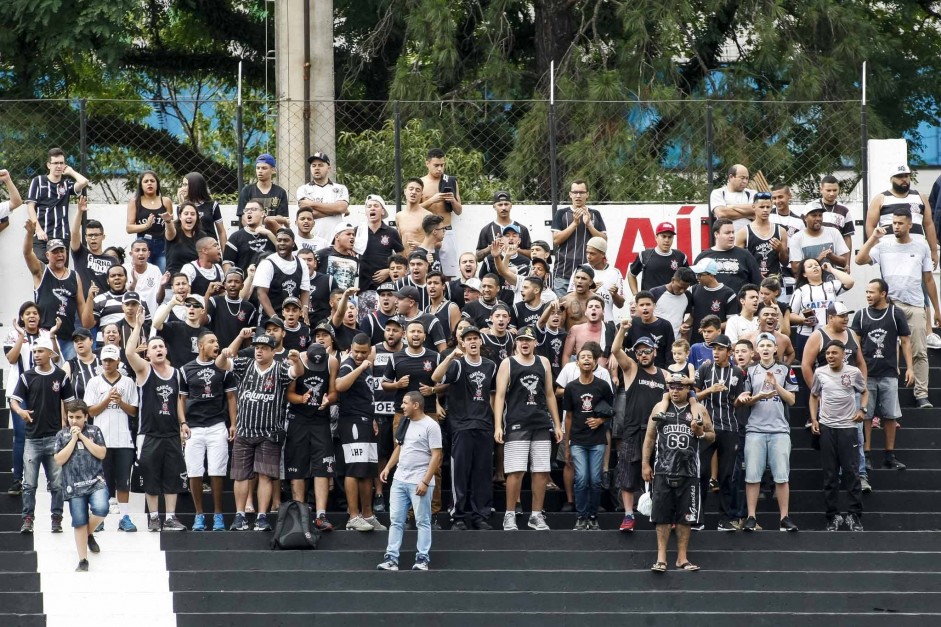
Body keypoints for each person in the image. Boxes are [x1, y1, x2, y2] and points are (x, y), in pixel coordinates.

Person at [857, 207, 941, 408]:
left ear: (910, 224)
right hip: (890, 306)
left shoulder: (920, 248)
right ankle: (887, 396)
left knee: (920, 351)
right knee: (886, 350)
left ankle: (921, 394)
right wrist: (873, 239)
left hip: (915, 305)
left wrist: (937, 309)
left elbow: (928, 279)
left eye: (900, 223)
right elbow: (859, 259)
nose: (896, 226)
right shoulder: (884, 245)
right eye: (894, 222)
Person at [218, 332, 302, 531]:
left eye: (264, 348)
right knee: (240, 476)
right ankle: (240, 515)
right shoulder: (245, 365)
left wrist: (297, 360)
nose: (259, 351)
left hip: (269, 432)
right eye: (257, 347)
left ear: (273, 351)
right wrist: (231, 346)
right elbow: (221, 364)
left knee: (265, 476)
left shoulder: (280, 368)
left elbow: (296, 372)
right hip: (245, 430)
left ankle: (262, 516)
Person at [124, 309, 188, 532]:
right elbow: (129, 352)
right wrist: (138, 326)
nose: (159, 349)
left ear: (166, 350)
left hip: (171, 432)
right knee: (150, 476)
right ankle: (153, 517)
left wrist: (183, 423)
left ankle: (170, 518)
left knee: (172, 475)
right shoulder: (144, 370)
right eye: (154, 347)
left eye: (161, 346)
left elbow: (178, 401)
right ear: (148, 354)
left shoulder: (177, 373)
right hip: (149, 433)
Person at [494, 326, 563, 531]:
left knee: (541, 471)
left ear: (535, 343)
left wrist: (557, 424)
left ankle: (535, 515)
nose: (525, 343)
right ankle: (509, 514)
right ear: (516, 342)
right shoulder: (508, 363)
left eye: (529, 340)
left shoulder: (543, 362)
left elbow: (550, 394)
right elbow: (499, 395)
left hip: (541, 422)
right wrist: (498, 425)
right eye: (521, 340)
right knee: (515, 471)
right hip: (517, 421)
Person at [642, 377, 715, 572]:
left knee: (686, 517)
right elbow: (649, 436)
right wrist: (645, 464)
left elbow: (711, 435)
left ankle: (682, 558)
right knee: (662, 516)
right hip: (663, 469)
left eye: (679, 388)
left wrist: (699, 432)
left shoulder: (698, 409)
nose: (675, 391)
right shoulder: (660, 407)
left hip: (689, 470)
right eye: (671, 387)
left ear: (688, 389)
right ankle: (661, 558)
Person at [432, 325, 497, 530]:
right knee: (459, 472)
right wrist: (451, 356)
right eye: (468, 338)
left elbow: (494, 395)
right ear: (462, 342)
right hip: (461, 425)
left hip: (484, 424)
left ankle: (480, 515)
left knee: (483, 472)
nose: (472, 342)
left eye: (475, 338)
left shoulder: (490, 365)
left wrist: (496, 423)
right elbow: (435, 377)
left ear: (481, 341)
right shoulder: (458, 364)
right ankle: (458, 515)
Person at [11, 336, 75, 534]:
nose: (36, 355)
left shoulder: (60, 376)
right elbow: (14, 400)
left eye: (40, 351)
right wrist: (20, 411)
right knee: (29, 484)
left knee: (56, 484)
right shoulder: (27, 376)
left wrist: (68, 422)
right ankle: (28, 519)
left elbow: (70, 402)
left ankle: (56, 519)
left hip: (55, 438)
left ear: (50, 353)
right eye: (35, 352)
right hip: (32, 438)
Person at [376, 391, 444, 571]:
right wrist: (388, 468)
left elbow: (436, 456)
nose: (402, 406)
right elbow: (400, 447)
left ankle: (422, 559)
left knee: (422, 521)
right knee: (396, 521)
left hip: (419, 480)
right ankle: (391, 559)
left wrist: (425, 481)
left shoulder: (431, 425)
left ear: (416, 405)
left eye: (405, 403)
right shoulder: (405, 422)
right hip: (400, 479)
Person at [851, 279, 912, 473]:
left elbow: (905, 341)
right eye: (866, 292)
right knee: (866, 415)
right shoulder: (860, 315)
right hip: (867, 373)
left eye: (872, 292)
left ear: (883, 293)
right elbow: (856, 345)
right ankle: (866, 454)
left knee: (890, 415)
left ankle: (889, 455)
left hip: (888, 372)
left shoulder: (895, 313)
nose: (868, 295)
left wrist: (909, 367)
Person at [179, 332, 237, 532]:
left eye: (218, 341)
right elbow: (181, 400)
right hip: (193, 427)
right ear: (201, 345)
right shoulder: (186, 369)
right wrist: (183, 423)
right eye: (212, 341)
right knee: (194, 471)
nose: (217, 344)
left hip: (216, 425)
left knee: (217, 470)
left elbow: (231, 398)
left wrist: (233, 423)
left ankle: (218, 515)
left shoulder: (223, 367)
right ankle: (199, 515)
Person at [610, 329, 667, 531]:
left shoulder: (665, 374)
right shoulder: (632, 369)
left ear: (655, 352)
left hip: (658, 432)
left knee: (661, 475)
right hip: (633, 430)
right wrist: (623, 329)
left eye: (647, 351)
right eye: (639, 352)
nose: (643, 355)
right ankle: (628, 515)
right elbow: (615, 349)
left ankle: (662, 514)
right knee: (627, 475)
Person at [740, 333, 798, 532]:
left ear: (775, 349)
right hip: (755, 429)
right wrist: (758, 396)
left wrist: (776, 386)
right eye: (761, 345)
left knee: (782, 476)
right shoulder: (750, 371)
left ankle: (784, 517)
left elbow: (791, 400)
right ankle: (751, 517)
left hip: (779, 430)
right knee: (752, 475)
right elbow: (745, 399)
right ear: (757, 350)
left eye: (769, 345)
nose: (765, 349)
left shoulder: (785, 369)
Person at [809, 340, 868, 532]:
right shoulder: (820, 372)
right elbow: (813, 395)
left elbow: (864, 391)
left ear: (844, 355)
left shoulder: (854, 372)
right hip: (827, 427)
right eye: (828, 353)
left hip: (848, 427)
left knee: (851, 473)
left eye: (834, 353)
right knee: (830, 474)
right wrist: (814, 418)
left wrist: (863, 409)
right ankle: (832, 517)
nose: (830, 356)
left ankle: (853, 516)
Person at [694, 334, 747, 531]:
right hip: (707, 428)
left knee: (726, 476)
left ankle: (725, 519)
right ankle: (697, 518)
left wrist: (742, 399)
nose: (716, 352)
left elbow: (735, 402)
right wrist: (710, 391)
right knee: (701, 474)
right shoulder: (705, 368)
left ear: (729, 352)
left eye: (720, 349)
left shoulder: (737, 372)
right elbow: (693, 396)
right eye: (714, 349)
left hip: (730, 427)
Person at [83, 344, 138, 532]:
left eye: (111, 360)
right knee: (101, 481)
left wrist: (120, 402)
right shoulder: (94, 382)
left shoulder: (128, 382)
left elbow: (133, 411)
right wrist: (107, 399)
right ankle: (100, 518)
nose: (107, 363)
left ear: (118, 362)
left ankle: (124, 518)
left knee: (123, 481)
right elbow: (90, 410)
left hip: (123, 440)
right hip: (100, 440)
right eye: (104, 360)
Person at [285, 342, 339, 532]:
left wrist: (328, 400)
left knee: (323, 465)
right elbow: (289, 394)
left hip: (320, 418)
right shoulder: (297, 360)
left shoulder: (332, 362)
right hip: (298, 418)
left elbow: (333, 391)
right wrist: (301, 399)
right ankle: (300, 512)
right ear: (306, 356)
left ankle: (320, 514)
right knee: (298, 465)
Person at [562, 346, 615, 530]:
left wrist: (601, 420)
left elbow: (611, 410)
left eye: (589, 357)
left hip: (597, 439)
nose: (586, 360)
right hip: (577, 439)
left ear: (595, 362)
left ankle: (592, 516)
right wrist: (567, 445)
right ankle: (581, 515)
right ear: (577, 362)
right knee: (582, 478)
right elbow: (568, 416)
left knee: (595, 479)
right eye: (582, 357)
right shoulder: (571, 387)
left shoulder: (602, 385)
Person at [54, 400, 108, 572]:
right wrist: (73, 439)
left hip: (95, 481)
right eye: (71, 417)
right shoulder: (61, 435)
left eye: (78, 417)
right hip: (73, 484)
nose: (74, 421)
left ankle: (89, 533)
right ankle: (83, 560)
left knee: (101, 509)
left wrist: (82, 437)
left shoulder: (95, 431)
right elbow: (59, 459)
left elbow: (101, 453)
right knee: (79, 522)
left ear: (86, 417)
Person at [336, 334, 383, 531]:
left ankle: (368, 515)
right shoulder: (348, 364)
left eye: (364, 353)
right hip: (352, 422)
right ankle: (353, 516)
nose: (360, 355)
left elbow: (365, 395)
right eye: (356, 351)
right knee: (354, 469)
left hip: (365, 422)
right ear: (351, 348)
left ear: (370, 350)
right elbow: (339, 385)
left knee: (367, 471)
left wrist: (371, 417)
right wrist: (360, 367)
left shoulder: (367, 365)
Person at [4, 302, 50, 497]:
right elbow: (11, 359)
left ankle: (50, 479)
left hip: (42, 390)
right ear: (22, 317)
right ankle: (17, 479)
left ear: (39, 317)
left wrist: (52, 337)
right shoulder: (13, 334)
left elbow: (54, 360)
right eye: (28, 313)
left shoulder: (46, 335)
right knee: (21, 435)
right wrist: (21, 336)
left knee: (47, 435)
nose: (32, 316)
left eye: (35, 313)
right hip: (19, 391)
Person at [24, 223, 86, 361]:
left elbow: (81, 305)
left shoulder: (74, 276)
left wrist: (83, 333)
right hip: (45, 336)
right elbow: (27, 253)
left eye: (62, 251)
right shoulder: (41, 271)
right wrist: (29, 234)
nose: (59, 255)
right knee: (47, 375)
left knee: (69, 376)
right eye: (55, 252)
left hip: (69, 337)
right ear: (47, 255)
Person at [866, 165, 939, 268]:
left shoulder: (920, 197)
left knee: (920, 283)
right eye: (899, 176)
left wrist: (934, 251)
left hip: (917, 252)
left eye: (906, 176)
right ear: (891, 179)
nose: (904, 179)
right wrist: (877, 248)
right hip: (890, 254)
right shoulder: (880, 199)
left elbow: (928, 225)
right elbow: (870, 226)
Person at [26, 147, 89, 260]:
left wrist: (70, 171)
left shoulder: (66, 184)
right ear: (48, 165)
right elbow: (30, 207)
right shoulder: (38, 181)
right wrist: (38, 230)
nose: (59, 166)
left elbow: (84, 182)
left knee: (60, 273)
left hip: (62, 236)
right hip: (42, 236)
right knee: (42, 270)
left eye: (61, 163)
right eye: (55, 163)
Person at [551, 180, 607, 296]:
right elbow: (556, 240)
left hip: (587, 275)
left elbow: (603, 240)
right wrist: (575, 224)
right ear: (570, 194)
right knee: (562, 310)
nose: (578, 196)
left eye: (581, 192)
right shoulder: (561, 213)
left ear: (587, 194)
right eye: (575, 192)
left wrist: (589, 225)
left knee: (585, 310)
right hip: (563, 273)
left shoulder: (594, 214)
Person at [420, 147, 463, 277]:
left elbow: (459, 211)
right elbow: (414, 209)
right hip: (427, 233)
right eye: (436, 165)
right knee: (428, 271)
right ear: (427, 164)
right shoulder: (421, 183)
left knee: (449, 273)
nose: (440, 169)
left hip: (446, 231)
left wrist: (453, 201)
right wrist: (431, 200)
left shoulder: (450, 181)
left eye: (442, 165)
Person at [693, 218, 762, 295]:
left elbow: (757, 283)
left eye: (733, 232)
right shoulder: (703, 257)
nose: (732, 236)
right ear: (716, 234)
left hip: (739, 305)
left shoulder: (745, 255)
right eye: (727, 233)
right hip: (710, 304)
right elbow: (694, 285)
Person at [255, 228, 311, 321]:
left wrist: (305, 308)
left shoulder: (301, 263)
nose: (282, 243)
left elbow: (305, 290)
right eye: (279, 240)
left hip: (292, 317)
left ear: (293, 244)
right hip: (270, 317)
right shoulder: (267, 263)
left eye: (286, 240)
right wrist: (274, 317)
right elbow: (261, 293)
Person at [296, 152, 351, 245]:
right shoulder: (303, 189)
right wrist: (336, 211)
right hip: (313, 241)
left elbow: (341, 207)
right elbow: (309, 215)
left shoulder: (341, 188)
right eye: (313, 165)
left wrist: (312, 204)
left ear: (328, 168)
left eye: (320, 165)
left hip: (336, 242)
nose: (316, 168)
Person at [803, 175, 856, 270]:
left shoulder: (844, 210)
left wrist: (847, 263)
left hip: (836, 258)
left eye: (835, 190)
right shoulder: (810, 207)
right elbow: (803, 231)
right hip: (813, 256)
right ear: (821, 189)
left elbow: (847, 237)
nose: (832, 193)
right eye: (828, 190)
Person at [125, 170, 174, 271]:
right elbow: (129, 228)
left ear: (157, 184)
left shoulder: (166, 201)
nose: (149, 183)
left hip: (162, 246)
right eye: (146, 181)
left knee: (161, 278)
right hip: (143, 244)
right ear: (141, 185)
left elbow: (171, 228)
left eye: (152, 180)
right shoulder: (135, 202)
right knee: (142, 277)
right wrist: (146, 225)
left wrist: (169, 222)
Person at [735, 192, 788, 280]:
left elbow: (785, 262)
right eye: (761, 207)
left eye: (768, 207)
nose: (765, 210)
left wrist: (781, 250)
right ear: (754, 207)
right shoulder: (744, 232)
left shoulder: (780, 231)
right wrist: (754, 273)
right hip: (753, 283)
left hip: (775, 281)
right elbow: (738, 262)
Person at [570, 236, 624, 321]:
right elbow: (570, 299)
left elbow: (620, 305)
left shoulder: (615, 273)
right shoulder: (581, 270)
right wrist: (589, 293)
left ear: (603, 254)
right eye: (587, 252)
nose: (588, 256)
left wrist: (615, 295)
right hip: (584, 323)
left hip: (607, 322)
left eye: (592, 253)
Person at [628, 221, 689, 295]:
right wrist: (635, 295)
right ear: (656, 237)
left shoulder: (680, 256)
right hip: (650, 303)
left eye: (670, 237)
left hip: (673, 302)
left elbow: (689, 279)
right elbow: (631, 275)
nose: (667, 240)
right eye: (663, 236)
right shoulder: (644, 255)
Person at [358, 195, 404, 292]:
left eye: (376, 206)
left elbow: (401, 256)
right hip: (363, 284)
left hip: (386, 285)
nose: (372, 208)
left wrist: (389, 271)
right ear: (365, 211)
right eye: (369, 206)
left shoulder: (391, 232)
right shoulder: (358, 231)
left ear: (382, 211)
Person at [71, 198, 116, 294]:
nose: (93, 238)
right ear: (85, 237)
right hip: (85, 304)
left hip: (105, 304)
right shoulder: (80, 254)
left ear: (103, 237)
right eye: (90, 235)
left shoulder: (112, 260)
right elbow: (74, 233)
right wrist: (79, 212)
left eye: (96, 235)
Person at [788, 204, 850, 272]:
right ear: (805, 218)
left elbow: (844, 262)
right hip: (808, 282)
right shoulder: (797, 238)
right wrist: (818, 259)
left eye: (820, 215)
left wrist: (831, 256)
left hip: (831, 281)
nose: (818, 219)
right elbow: (795, 268)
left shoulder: (834, 232)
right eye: (814, 215)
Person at [688, 259, 737, 344]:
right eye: (696, 274)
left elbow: (732, 322)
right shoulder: (693, 289)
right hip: (696, 343)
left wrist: (709, 329)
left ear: (711, 275)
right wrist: (686, 324)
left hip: (718, 344)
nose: (697, 278)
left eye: (700, 275)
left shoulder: (729, 294)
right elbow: (691, 315)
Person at [206, 269, 257, 350]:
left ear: (242, 286)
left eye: (237, 282)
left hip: (237, 355)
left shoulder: (250, 308)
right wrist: (208, 294)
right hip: (216, 352)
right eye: (229, 281)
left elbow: (248, 337)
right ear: (225, 285)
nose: (233, 284)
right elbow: (203, 321)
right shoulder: (215, 301)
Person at [476, 191, 532, 261]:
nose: (503, 208)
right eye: (500, 205)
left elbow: (532, 254)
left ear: (511, 205)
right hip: (494, 270)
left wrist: (514, 249)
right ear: (494, 206)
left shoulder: (522, 229)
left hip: (517, 270)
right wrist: (491, 247)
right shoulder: (486, 230)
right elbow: (477, 257)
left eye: (506, 204)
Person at [223, 201, 277, 273]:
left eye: (253, 209)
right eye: (246, 210)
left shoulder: (272, 233)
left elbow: (285, 253)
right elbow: (227, 263)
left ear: (263, 213)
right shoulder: (235, 237)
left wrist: (269, 233)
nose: (249, 212)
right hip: (245, 282)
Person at [236, 153, 289, 226]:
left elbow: (281, 218)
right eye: (258, 168)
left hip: (272, 234)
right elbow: (244, 218)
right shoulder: (246, 191)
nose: (260, 171)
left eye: (264, 168)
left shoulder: (280, 192)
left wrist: (268, 232)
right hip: (251, 234)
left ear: (273, 170)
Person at [626, 291, 675, 369]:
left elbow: (670, 353)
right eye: (641, 305)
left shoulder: (665, 325)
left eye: (648, 304)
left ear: (654, 306)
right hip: (638, 372)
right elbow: (624, 346)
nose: (645, 307)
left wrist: (667, 374)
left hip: (660, 372)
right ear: (637, 307)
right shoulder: (634, 323)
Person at [178, 172, 227, 248]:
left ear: (194, 186)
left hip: (209, 249)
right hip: (190, 249)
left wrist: (225, 256)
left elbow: (221, 232)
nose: (182, 188)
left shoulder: (212, 205)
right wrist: (182, 204)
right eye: (182, 185)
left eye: (185, 185)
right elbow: (180, 230)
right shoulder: (181, 206)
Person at [649, 268, 696, 339]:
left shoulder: (688, 295)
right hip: (655, 339)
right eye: (679, 287)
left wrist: (685, 325)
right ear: (673, 280)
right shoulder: (655, 292)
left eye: (685, 288)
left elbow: (690, 317)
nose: (682, 291)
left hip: (676, 342)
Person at [316, 222, 360, 292]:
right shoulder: (322, 254)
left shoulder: (354, 259)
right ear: (337, 237)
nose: (352, 237)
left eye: (353, 235)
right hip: (325, 298)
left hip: (346, 300)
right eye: (348, 234)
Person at [164, 202, 205, 275]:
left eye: (193, 214)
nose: (189, 216)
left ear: (196, 217)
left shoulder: (202, 235)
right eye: (186, 214)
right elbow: (170, 232)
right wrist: (168, 221)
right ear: (180, 216)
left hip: (194, 279)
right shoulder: (174, 231)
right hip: (174, 280)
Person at [710, 164, 756, 228]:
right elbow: (721, 213)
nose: (745, 181)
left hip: (749, 235)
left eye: (747, 178)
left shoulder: (752, 193)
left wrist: (730, 206)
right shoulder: (718, 193)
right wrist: (748, 214)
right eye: (742, 178)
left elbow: (755, 210)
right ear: (731, 177)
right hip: (727, 236)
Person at [125, 238, 162, 315]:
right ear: (131, 254)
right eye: (137, 250)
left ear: (148, 254)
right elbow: (123, 296)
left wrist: (163, 285)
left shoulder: (155, 270)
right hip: (130, 318)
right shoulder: (124, 269)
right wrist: (134, 282)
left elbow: (159, 299)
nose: (141, 253)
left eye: (144, 250)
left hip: (151, 319)